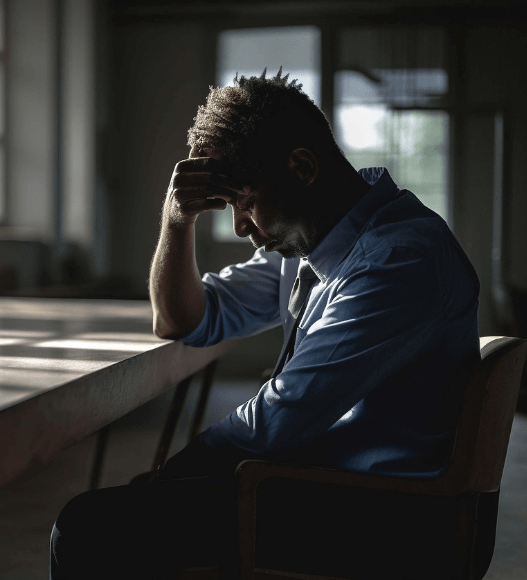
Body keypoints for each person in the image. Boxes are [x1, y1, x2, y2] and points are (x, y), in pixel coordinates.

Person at [49, 68, 479, 579]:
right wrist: (175, 221)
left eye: (245, 201)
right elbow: (181, 320)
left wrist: (172, 475)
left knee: (87, 528)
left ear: (301, 167)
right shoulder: (313, 240)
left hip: (384, 516)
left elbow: (279, 421)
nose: (240, 228)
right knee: (127, 515)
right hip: (327, 486)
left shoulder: (399, 261)